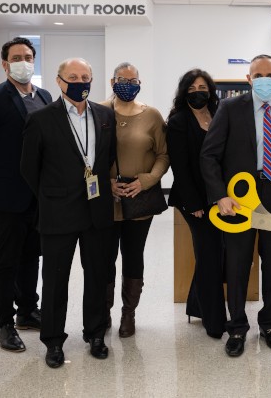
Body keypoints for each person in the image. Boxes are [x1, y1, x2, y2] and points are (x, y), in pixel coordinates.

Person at [201, 54, 271, 358]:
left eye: (269, 74)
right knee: (237, 264)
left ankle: (270, 325)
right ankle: (236, 328)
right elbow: (209, 155)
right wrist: (220, 195)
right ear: (248, 79)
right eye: (257, 74)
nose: (264, 79)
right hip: (240, 198)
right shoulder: (231, 108)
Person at [19, 58, 116, 368]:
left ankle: (96, 334)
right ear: (59, 82)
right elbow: (28, 169)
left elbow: (106, 158)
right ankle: (53, 340)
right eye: (73, 76)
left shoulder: (104, 115)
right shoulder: (42, 119)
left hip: (97, 210)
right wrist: (52, 195)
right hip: (57, 211)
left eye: (86, 76)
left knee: (98, 276)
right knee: (56, 280)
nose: (80, 81)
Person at [0, 37, 52, 353]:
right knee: (6, 258)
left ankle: (28, 311)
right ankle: (3, 322)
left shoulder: (44, 96)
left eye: (29, 56)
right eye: (17, 57)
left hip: (40, 195)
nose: (24, 62)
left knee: (32, 253)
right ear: (4, 64)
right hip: (7, 195)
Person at [100, 62, 169, 337]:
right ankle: (103, 312)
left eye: (133, 79)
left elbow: (164, 155)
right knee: (104, 258)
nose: (127, 83)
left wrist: (147, 180)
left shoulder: (152, 115)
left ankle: (128, 314)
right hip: (107, 199)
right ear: (111, 81)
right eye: (121, 79)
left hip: (139, 198)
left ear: (140, 82)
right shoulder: (98, 112)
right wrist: (107, 185)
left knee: (133, 255)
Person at [166, 69, 227, 339]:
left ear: (211, 90)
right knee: (209, 255)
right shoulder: (178, 121)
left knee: (215, 253)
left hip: (220, 196)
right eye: (191, 89)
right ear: (183, 93)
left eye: (202, 87)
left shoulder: (220, 114)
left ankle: (196, 305)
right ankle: (215, 322)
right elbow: (180, 165)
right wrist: (193, 203)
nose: (197, 92)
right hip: (194, 200)